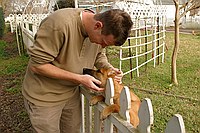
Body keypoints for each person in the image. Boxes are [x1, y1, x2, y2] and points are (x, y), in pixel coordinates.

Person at [22, 8, 133, 133]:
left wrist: (109, 69)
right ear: (98, 25)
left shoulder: (99, 31)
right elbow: (37, 65)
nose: (102, 46)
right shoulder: (59, 24)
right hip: (44, 97)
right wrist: (79, 78)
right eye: (103, 42)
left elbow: (99, 55)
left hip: (70, 94)